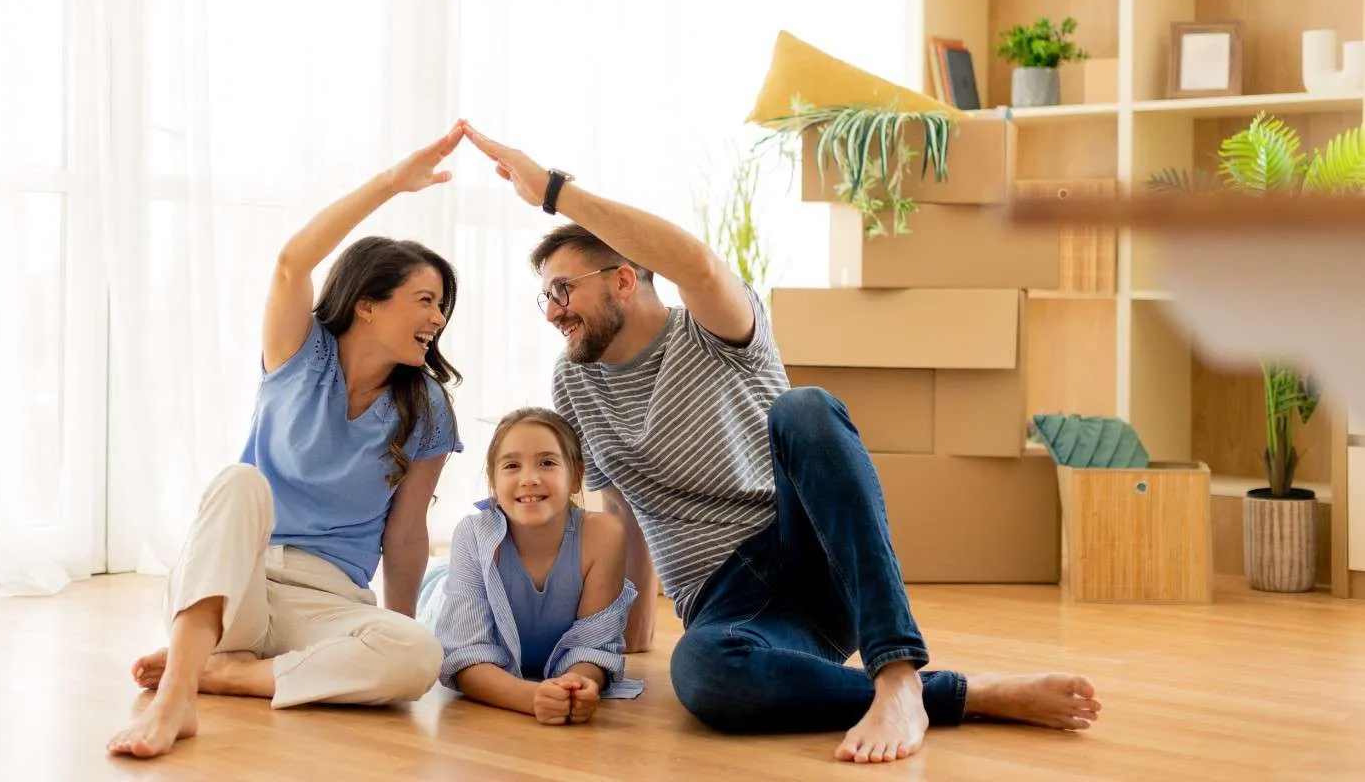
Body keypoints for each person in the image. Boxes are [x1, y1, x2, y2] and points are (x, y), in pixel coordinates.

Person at [455, 119, 1102, 765]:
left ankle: (900, 672)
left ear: (624, 279)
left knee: (805, 407)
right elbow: (618, 508)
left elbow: (697, 264)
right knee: (704, 672)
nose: (553, 311)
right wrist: (628, 639)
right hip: (732, 603)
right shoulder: (574, 381)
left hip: (814, 550)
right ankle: (964, 696)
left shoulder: (715, 328)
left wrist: (554, 191)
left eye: (564, 290)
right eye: (544, 297)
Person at [107, 126, 468, 759]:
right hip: (233, 588)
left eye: (443, 307)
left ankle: (226, 674)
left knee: (418, 655)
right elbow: (292, 262)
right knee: (239, 481)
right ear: (367, 305)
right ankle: (176, 701)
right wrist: (391, 184)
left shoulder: (428, 406)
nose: (439, 320)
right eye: (425, 300)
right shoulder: (300, 354)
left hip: (327, 601)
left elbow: (407, 533)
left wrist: (392, 626)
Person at [420, 406, 642, 726]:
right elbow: (464, 656)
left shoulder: (604, 535)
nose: (529, 479)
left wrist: (578, 685)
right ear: (493, 482)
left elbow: (594, 643)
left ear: (577, 476)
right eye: (511, 465)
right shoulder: (473, 533)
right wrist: (530, 697)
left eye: (547, 462)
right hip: (440, 596)